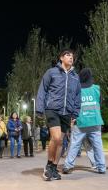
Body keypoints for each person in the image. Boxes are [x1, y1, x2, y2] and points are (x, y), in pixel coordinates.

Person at [36, 49, 81, 181]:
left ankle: (54, 168)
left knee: (61, 142)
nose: (71, 57)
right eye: (68, 55)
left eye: (72, 56)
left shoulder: (75, 77)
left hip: (67, 112)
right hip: (53, 109)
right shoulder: (52, 72)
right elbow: (42, 89)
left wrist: (75, 113)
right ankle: (49, 166)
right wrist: (39, 108)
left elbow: (78, 96)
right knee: (55, 138)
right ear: (61, 58)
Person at [62, 68, 106, 174]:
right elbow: (100, 103)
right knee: (98, 145)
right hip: (95, 121)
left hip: (81, 122)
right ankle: (101, 167)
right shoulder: (97, 88)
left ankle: (68, 166)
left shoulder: (76, 89)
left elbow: (72, 105)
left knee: (74, 144)